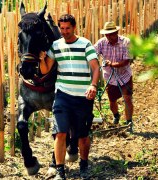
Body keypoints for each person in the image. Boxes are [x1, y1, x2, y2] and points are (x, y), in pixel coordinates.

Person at [39, 14, 100, 180]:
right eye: (62, 28)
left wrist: (93, 85)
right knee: (60, 133)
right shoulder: (55, 46)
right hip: (63, 95)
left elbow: (95, 68)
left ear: (74, 28)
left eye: (67, 28)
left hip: (83, 97)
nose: (64, 32)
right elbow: (45, 70)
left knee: (82, 136)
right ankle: (60, 171)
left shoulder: (85, 44)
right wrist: (42, 59)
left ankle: (84, 165)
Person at [94, 21, 134, 132]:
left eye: (111, 33)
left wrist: (112, 64)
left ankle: (129, 122)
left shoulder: (126, 42)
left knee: (127, 99)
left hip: (124, 76)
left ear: (116, 32)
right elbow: (93, 54)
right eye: (106, 34)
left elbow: (127, 61)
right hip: (110, 78)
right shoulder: (101, 43)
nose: (108, 36)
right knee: (112, 101)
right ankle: (116, 115)